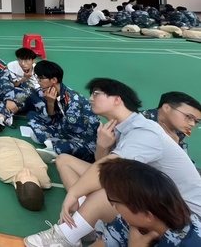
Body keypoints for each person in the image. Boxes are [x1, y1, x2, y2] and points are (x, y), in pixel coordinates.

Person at [24, 78, 201, 247]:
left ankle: (67, 236)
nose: (91, 98)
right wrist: (102, 146)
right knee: (65, 160)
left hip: (184, 218)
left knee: (112, 188)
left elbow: (109, 170)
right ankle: (85, 225)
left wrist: (74, 194)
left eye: (96, 94)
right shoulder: (125, 127)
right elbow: (106, 167)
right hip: (157, 202)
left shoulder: (146, 132)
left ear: (117, 99)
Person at [98, 158, 201, 247]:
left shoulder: (191, 243)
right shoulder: (136, 220)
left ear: (147, 216)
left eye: (114, 202)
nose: (115, 207)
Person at [20, 60, 99, 163]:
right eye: (37, 77)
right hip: (64, 128)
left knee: (64, 146)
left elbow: (71, 131)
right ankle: (51, 143)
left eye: (41, 78)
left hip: (84, 140)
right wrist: (50, 102)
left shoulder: (74, 103)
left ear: (54, 80)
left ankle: (53, 146)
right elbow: (52, 117)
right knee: (32, 116)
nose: (38, 80)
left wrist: (50, 130)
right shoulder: (53, 91)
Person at [140, 91, 201, 155]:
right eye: (189, 117)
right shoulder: (138, 122)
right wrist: (171, 147)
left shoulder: (179, 132)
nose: (193, 124)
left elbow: (183, 160)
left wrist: (174, 146)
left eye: (196, 121)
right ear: (166, 108)